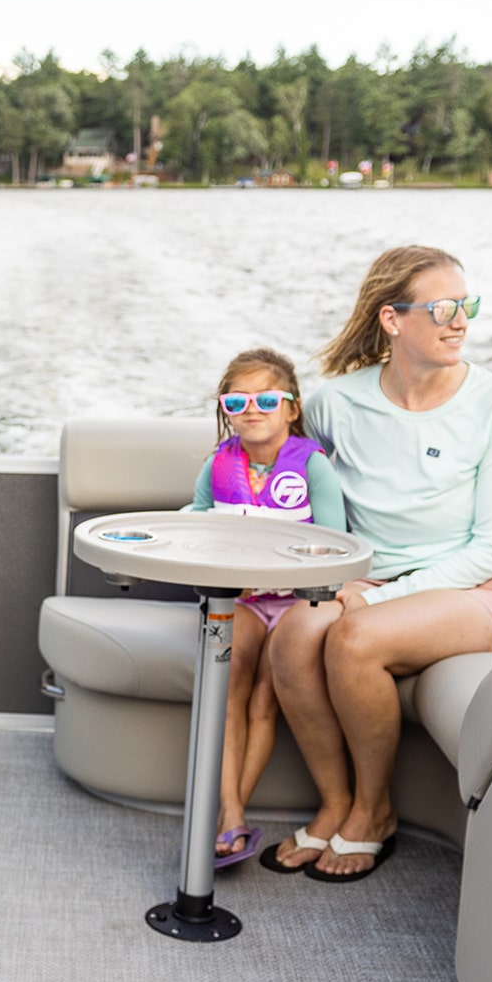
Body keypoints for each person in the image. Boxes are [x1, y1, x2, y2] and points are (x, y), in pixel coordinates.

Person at [262, 245, 492, 881]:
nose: (459, 320)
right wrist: (332, 574)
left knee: (354, 638)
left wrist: (376, 598)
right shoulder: (335, 404)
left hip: (477, 589)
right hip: (374, 578)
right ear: (392, 320)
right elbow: (303, 492)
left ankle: (373, 812)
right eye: (442, 308)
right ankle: (334, 804)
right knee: (295, 636)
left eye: (467, 305)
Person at [182, 348, 344, 867]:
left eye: (267, 399)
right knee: (227, 686)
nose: (252, 409)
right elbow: (196, 517)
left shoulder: (314, 467)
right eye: (237, 399)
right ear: (225, 408)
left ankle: (229, 818)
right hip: (240, 605)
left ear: (292, 408)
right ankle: (231, 816)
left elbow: (337, 540)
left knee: (264, 701)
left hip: (295, 606)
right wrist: (189, 521)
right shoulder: (217, 464)